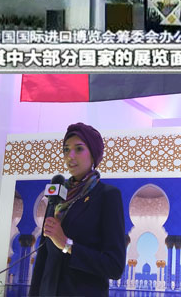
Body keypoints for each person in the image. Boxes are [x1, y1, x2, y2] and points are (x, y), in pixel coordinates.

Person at [30, 122, 126, 297]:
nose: (70, 156)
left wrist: (67, 244)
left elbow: (114, 266)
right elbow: (43, 256)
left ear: (93, 154)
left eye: (79, 149)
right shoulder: (58, 196)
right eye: (66, 150)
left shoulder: (107, 195)